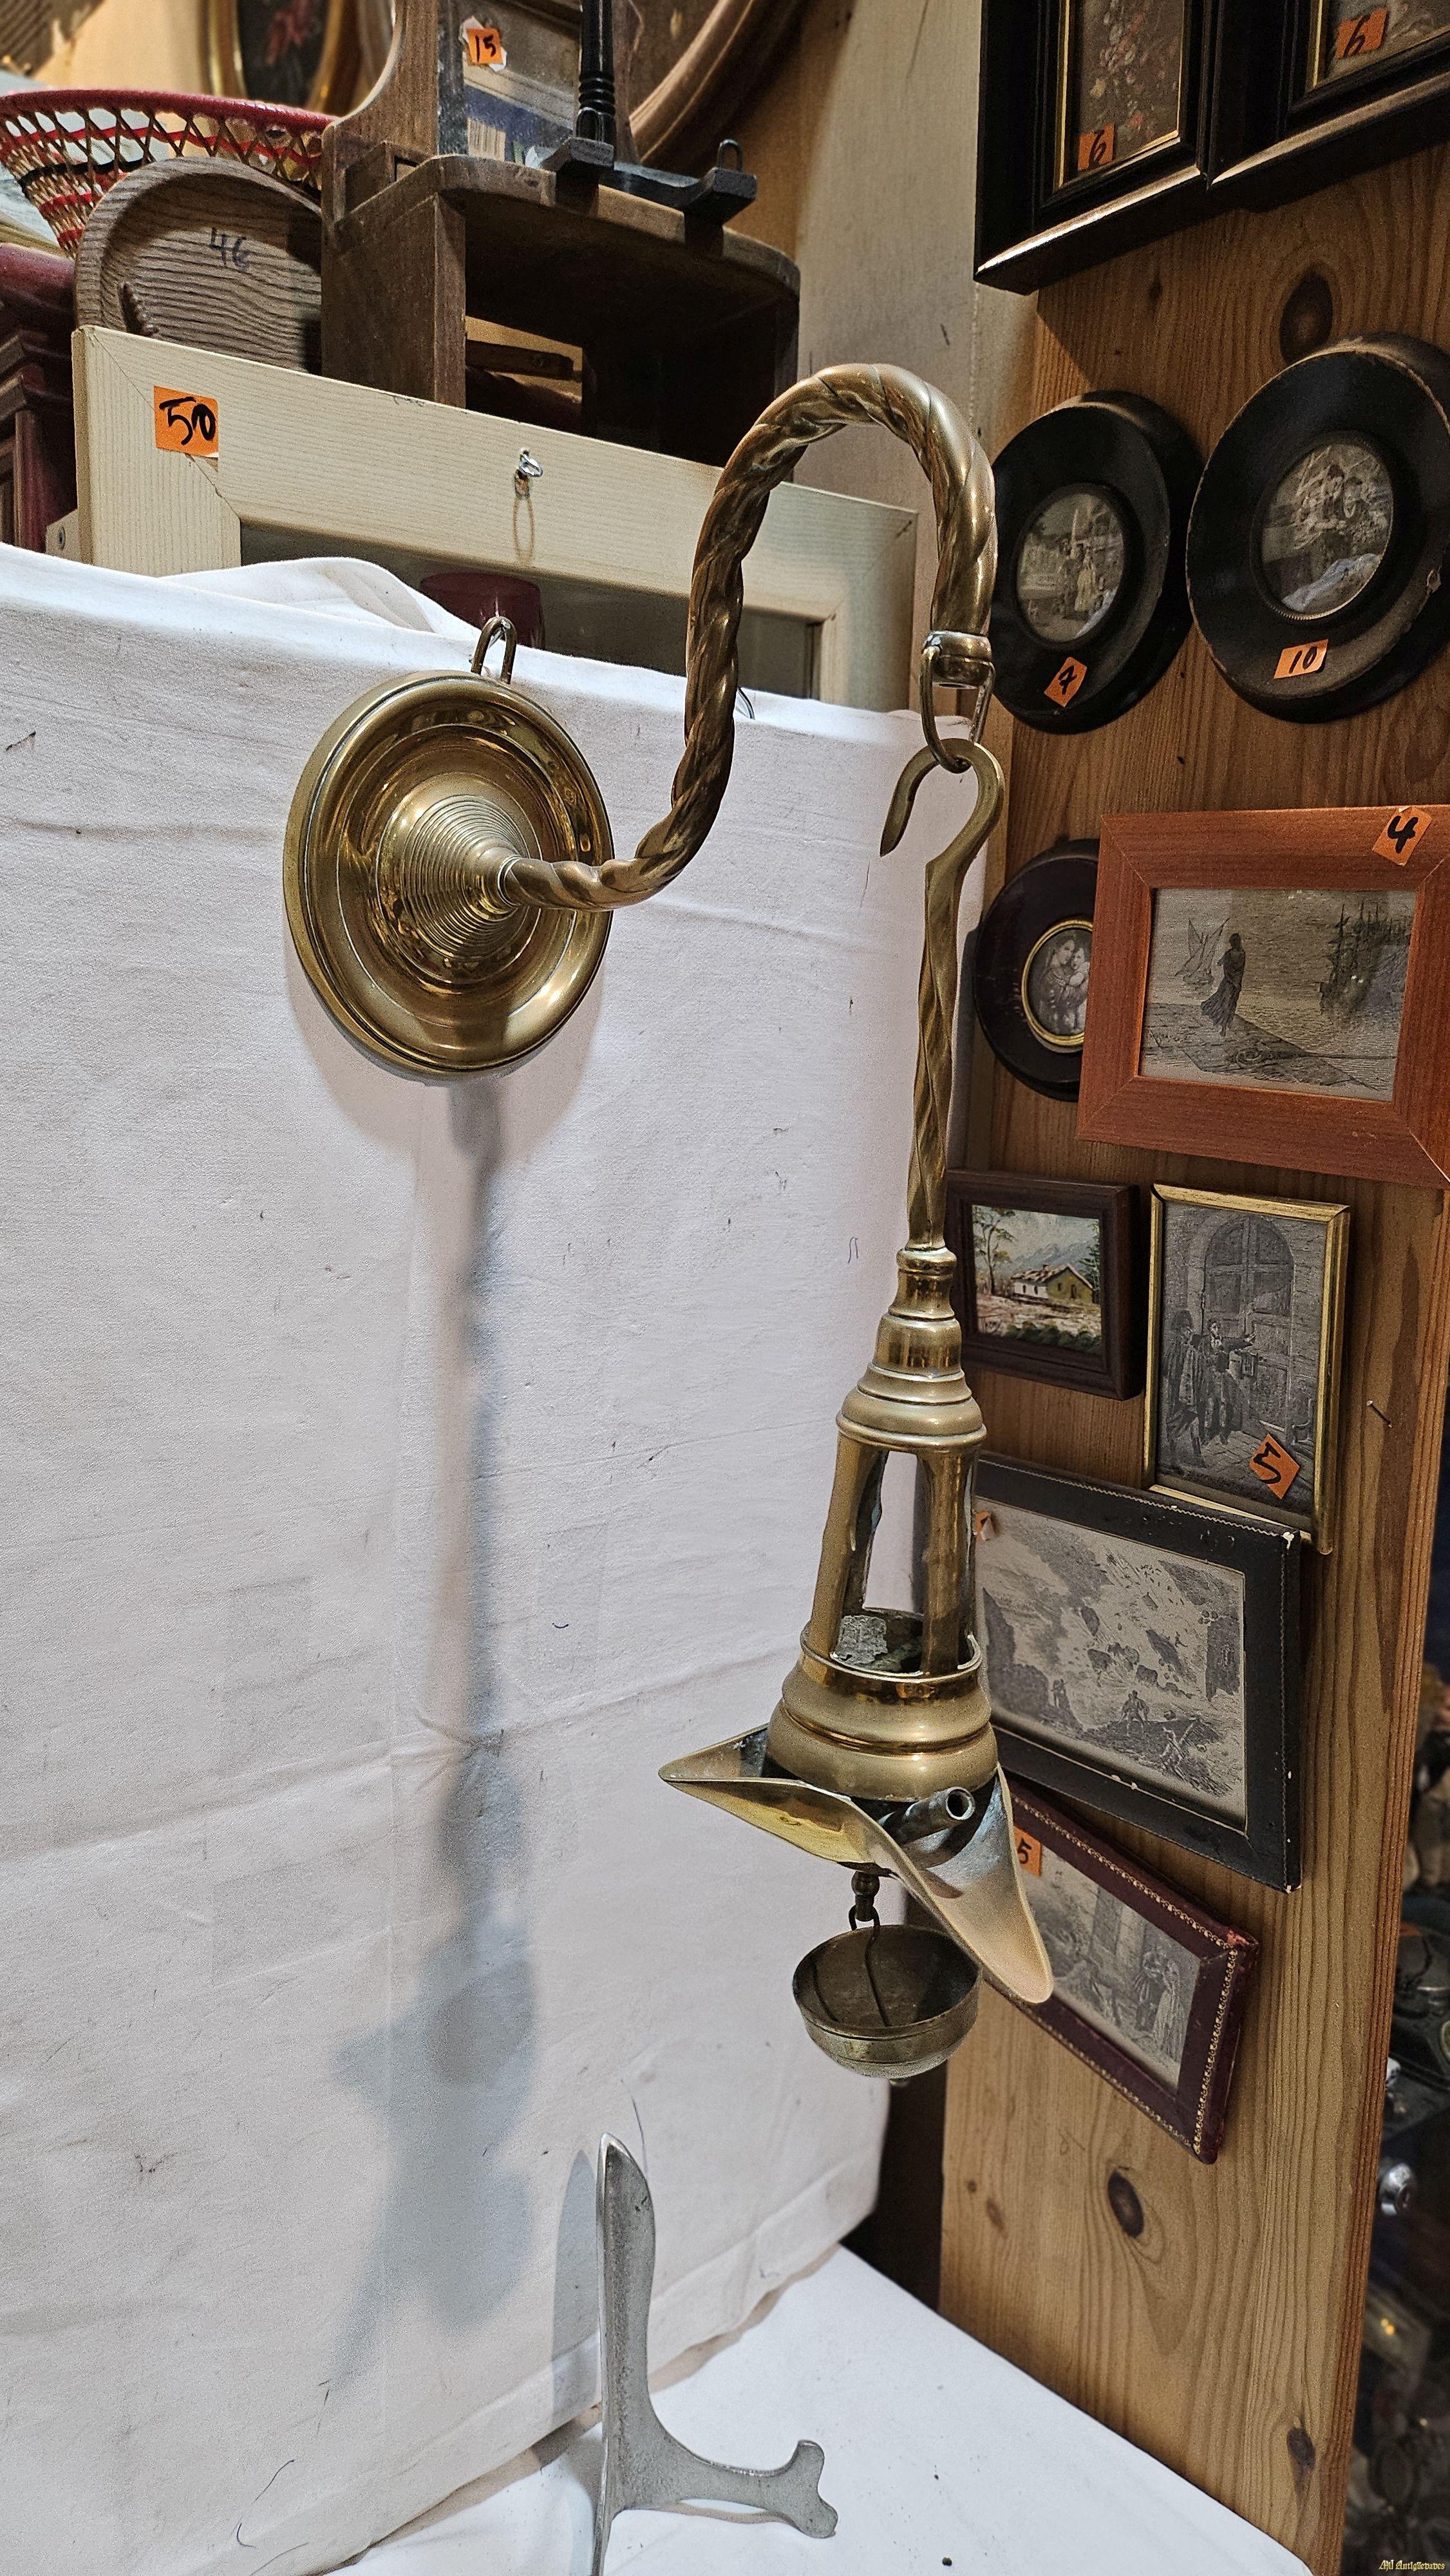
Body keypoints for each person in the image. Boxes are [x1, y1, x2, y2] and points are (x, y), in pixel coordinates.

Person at [1163, 1308, 1205, 1464]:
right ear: (1180, 1329)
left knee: (1189, 1421)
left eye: (1190, 1328)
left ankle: (1196, 1456)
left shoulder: (1173, 1349)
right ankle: (1179, 1458)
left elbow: (1165, 1370)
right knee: (1184, 1421)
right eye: (1187, 1329)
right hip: (1181, 1393)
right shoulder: (1188, 1351)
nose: (1190, 1332)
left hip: (1179, 1392)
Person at [1201, 930, 1245, 1035]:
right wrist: (1235, 982)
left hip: (1230, 983)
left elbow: (1225, 966)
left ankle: (1225, 1026)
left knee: (1226, 1003)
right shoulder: (1241, 954)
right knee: (1229, 1004)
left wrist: (1221, 963)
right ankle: (1225, 1027)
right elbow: (1238, 970)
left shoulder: (1230, 954)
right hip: (1235, 984)